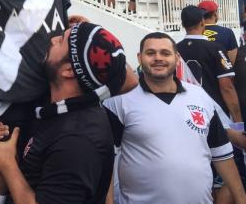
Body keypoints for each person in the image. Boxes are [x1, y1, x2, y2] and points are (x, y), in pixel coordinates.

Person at [0, 22, 138, 204]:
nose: (52, 39)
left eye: (61, 40)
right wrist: (95, 37)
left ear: (69, 70)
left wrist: (7, 166)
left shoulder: (76, 142)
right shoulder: (65, 103)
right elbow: (126, 78)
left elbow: (130, 80)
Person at [104, 32, 246, 204]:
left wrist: (241, 198)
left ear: (177, 58)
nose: (158, 58)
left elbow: (222, 154)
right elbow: (105, 160)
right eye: (151, 53)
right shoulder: (119, 101)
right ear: (139, 57)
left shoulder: (199, 95)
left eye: (165, 53)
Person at [177, 6, 242, 123]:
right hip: (214, 112)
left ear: (183, 24)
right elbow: (227, 88)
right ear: (203, 22)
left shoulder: (174, 50)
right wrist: (238, 120)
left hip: (186, 111)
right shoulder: (216, 49)